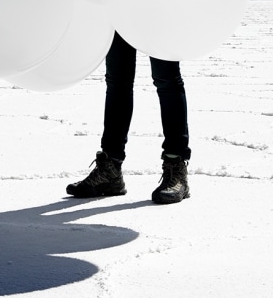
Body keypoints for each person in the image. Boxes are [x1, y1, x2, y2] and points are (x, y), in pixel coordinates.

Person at [66, 32, 190, 204]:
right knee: (117, 80)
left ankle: (176, 167)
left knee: (167, 78)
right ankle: (111, 170)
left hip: (159, 9)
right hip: (118, 9)